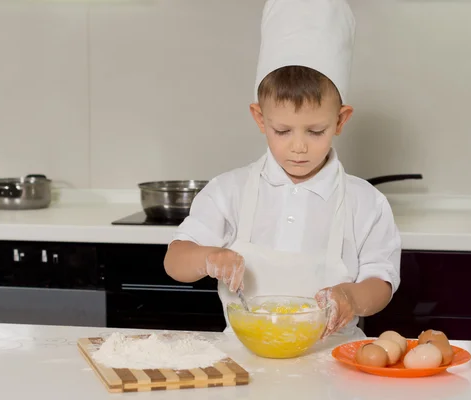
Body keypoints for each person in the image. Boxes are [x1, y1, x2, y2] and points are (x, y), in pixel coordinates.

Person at [164, 0, 401, 339]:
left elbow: (382, 282)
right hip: (244, 361)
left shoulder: (366, 202)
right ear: (260, 118)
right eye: (283, 130)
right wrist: (208, 257)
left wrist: (351, 297)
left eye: (315, 131)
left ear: (341, 119)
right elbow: (175, 261)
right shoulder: (228, 191)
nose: (299, 146)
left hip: (334, 361)